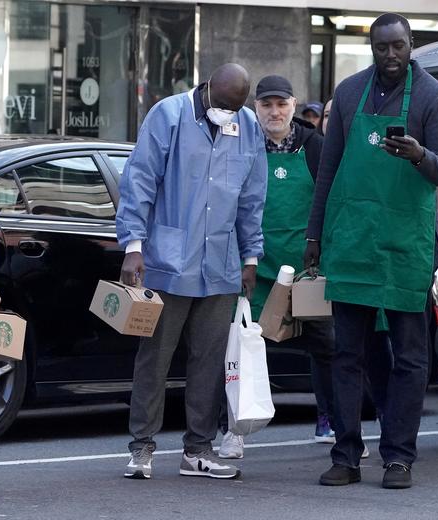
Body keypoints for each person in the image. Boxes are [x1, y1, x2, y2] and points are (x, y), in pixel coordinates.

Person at [304, 13, 438, 489]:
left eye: (398, 46)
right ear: (370, 46)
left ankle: (398, 457)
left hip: (403, 246)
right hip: (351, 242)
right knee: (346, 352)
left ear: (412, 44)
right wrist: (314, 237)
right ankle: (346, 454)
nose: (390, 55)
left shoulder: (436, 98)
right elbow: (328, 171)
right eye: (380, 47)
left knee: (411, 358)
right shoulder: (349, 93)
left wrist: (418, 156)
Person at [116, 63, 267, 480]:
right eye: (223, 105)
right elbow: (140, 180)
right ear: (207, 89)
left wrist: (251, 258)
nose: (228, 113)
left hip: (221, 262)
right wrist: (133, 245)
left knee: (209, 360)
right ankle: (142, 447)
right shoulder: (168, 115)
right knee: (156, 358)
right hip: (168, 260)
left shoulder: (248, 126)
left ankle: (197, 450)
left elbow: (253, 196)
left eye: (236, 108)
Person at [216, 75, 335, 459]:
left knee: (329, 347)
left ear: (294, 105)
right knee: (241, 351)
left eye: (281, 104)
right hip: (257, 268)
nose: (274, 111)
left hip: (306, 269)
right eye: (266, 104)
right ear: (256, 108)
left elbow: (330, 204)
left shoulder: (315, 147)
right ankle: (233, 430)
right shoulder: (242, 145)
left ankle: (333, 421)